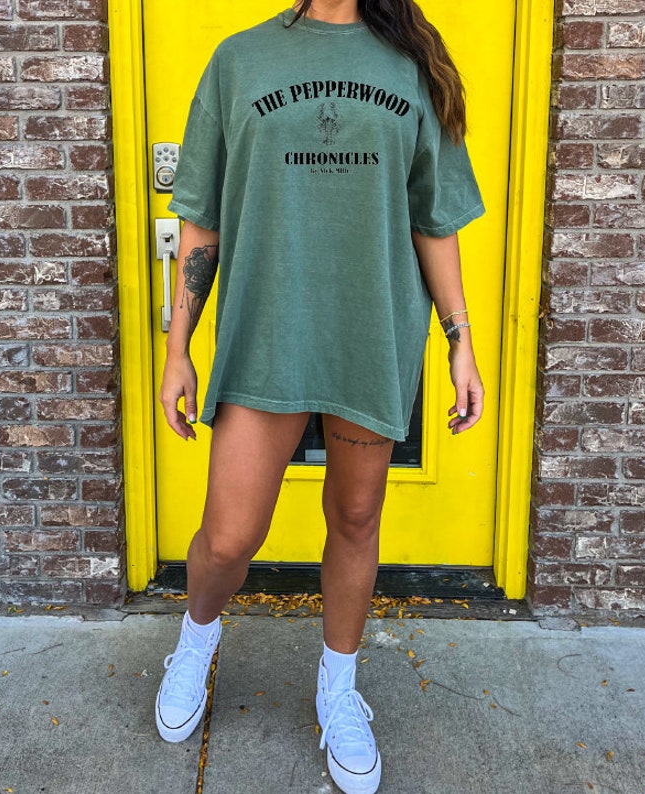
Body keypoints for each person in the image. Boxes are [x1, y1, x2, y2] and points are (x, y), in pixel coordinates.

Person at [155, 1, 485, 791]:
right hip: (267, 327)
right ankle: (197, 637)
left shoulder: (413, 62)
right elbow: (199, 221)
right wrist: (179, 350)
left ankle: (338, 687)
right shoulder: (241, 61)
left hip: (371, 329)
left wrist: (460, 338)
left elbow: (433, 218)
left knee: (357, 516)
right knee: (230, 538)